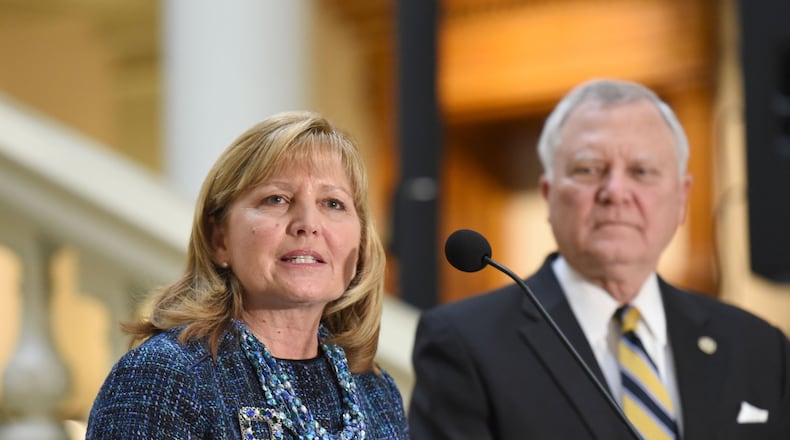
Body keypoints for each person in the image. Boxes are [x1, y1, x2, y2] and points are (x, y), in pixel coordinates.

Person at [409, 79, 790, 439]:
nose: (616, 191)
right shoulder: (464, 342)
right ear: (548, 194)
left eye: (642, 171)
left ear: (681, 198)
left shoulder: (757, 346)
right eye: (588, 170)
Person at [87, 111, 409, 439]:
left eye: (333, 203)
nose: (308, 224)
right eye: (277, 199)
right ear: (219, 239)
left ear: (361, 242)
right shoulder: (164, 376)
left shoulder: (376, 392)